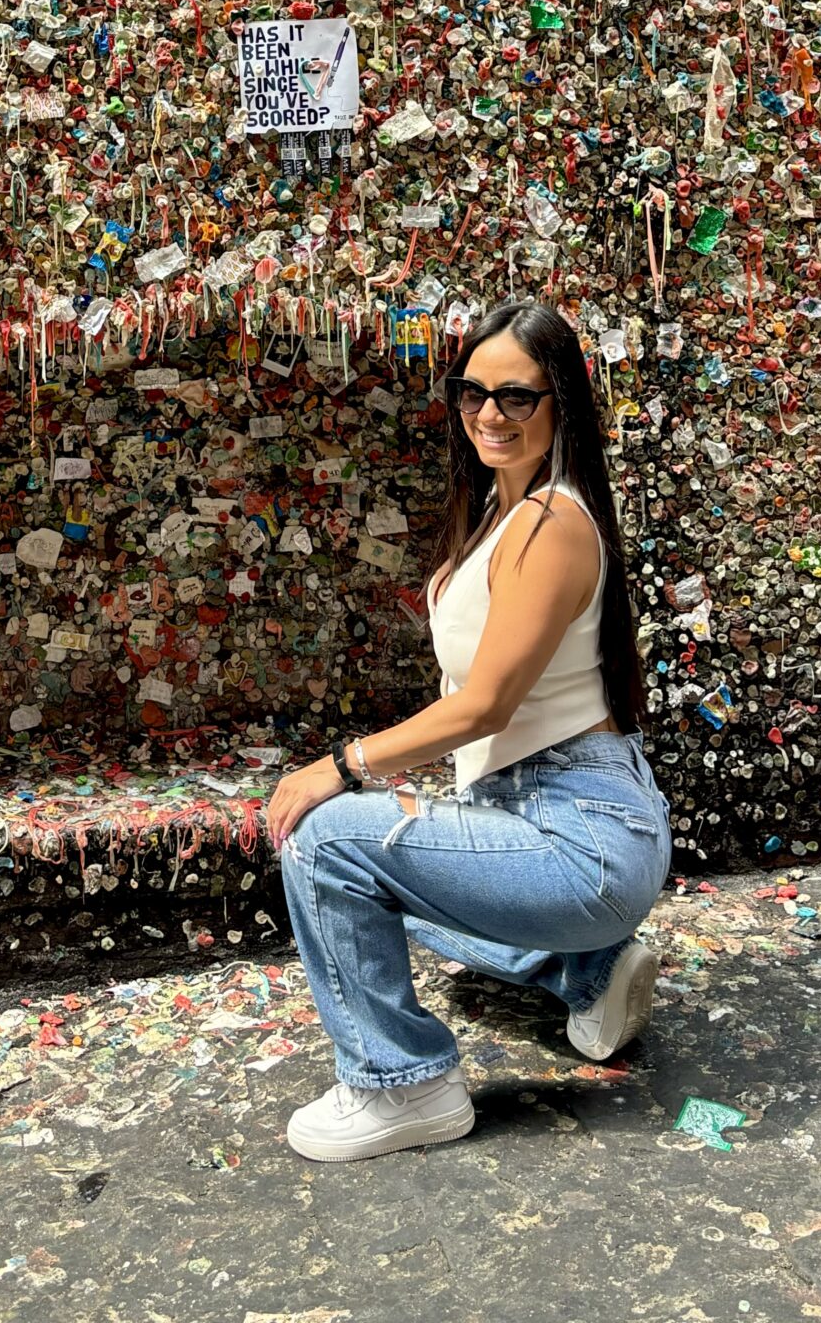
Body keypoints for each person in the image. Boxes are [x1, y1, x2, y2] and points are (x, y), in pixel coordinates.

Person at [264, 299, 671, 1162]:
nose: (490, 413)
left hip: (579, 830)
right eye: (472, 392)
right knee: (385, 899)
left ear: (561, 402)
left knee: (325, 841)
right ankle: (586, 972)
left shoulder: (551, 523)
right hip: (546, 819)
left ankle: (403, 1085)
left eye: (517, 396)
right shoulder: (502, 509)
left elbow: (483, 706)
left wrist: (339, 766)